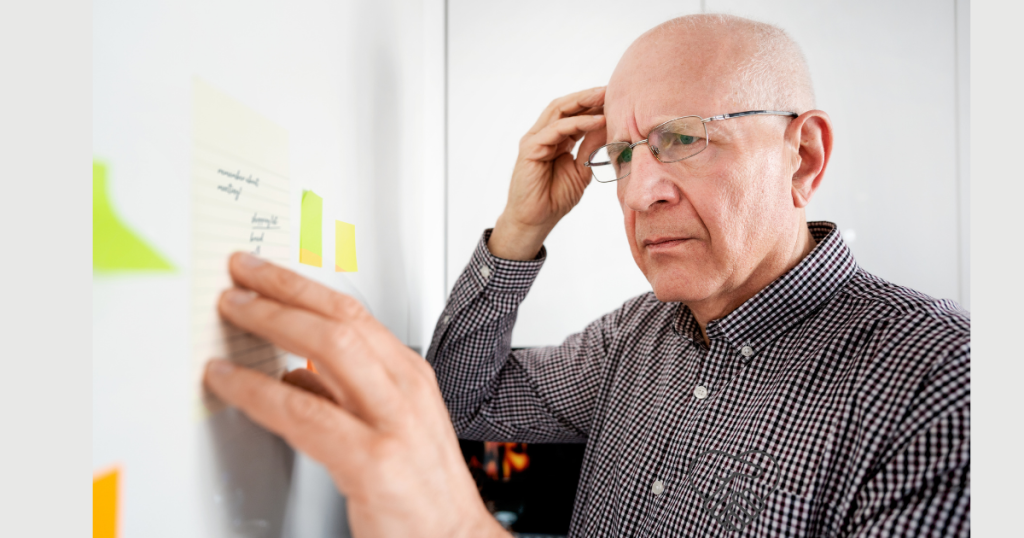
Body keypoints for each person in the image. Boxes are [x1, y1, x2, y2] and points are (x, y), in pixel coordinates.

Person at [204, 13, 970, 538]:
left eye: (684, 139)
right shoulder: (635, 336)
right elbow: (463, 400)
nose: (640, 192)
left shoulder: (945, 381)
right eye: (625, 154)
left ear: (802, 158)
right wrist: (521, 230)